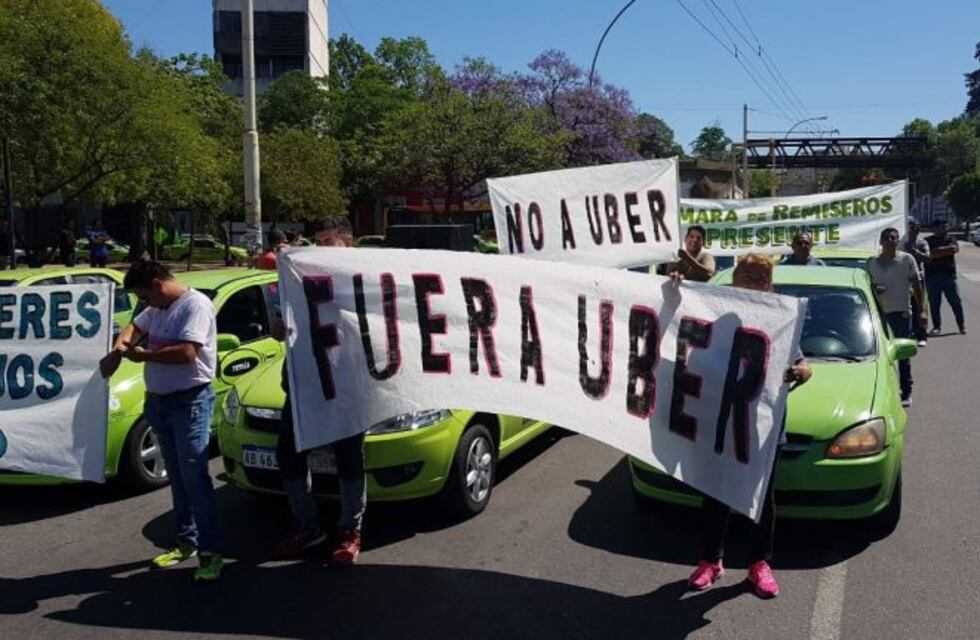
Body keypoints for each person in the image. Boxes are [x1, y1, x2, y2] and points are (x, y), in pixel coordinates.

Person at [687, 253, 812, 599]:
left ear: (770, 283)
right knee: (714, 492)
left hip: (763, 428)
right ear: (734, 279)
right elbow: (679, 335)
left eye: (762, 277)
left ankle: (759, 564)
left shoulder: (779, 319)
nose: (755, 282)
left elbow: (802, 361)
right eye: (749, 275)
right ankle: (710, 560)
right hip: (718, 423)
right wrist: (671, 291)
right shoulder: (715, 316)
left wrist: (802, 372)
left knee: (760, 499)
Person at [98, 261, 223, 581]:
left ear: (158, 284)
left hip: (190, 402)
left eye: (144, 296)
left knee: (195, 478)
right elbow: (134, 328)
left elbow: (187, 353)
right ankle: (186, 542)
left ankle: (210, 553)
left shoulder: (195, 305)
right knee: (179, 478)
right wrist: (118, 348)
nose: (144, 303)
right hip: (159, 403)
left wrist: (144, 356)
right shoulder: (157, 307)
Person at [274, 217, 367, 567]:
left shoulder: (364, 280)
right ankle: (307, 524)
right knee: (289, 455)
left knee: (349, 460)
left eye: (326, 240)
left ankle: (349, 529)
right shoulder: (295, 279)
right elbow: (278, 332)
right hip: (302, 386)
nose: (318, 248)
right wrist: (280, 326)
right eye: (315, 240)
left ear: (348, 243)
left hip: (347, 388)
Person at [865, 227, 927, 408]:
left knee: (903, 356)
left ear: (898, 241)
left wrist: (922, 310)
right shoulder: (871, 263)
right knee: (879, 355)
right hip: (878, 316)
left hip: (901, 314)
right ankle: (882, 390)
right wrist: (875, 289)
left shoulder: (907, 260)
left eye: (894, 238)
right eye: (887, 238)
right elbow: (867, 286)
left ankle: (906, 391)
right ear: (881, 241)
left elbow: (917, 285)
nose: (891, 240)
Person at [924, 220, 965, 335]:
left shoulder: (950, 239)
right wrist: (942, 251)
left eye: (943, 226)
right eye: (940, 227)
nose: (943, 228)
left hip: (948, 276)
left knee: (955, 301)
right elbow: (928, 254)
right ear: (934, 228)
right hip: (931, 276)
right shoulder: (927, 240)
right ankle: (937, 327)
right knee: (934, 304)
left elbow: (954, 249)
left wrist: (936, 252)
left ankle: (961, 325)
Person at [900, 219, 930, 346]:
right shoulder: (900, 242)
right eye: (912, 228)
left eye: (917, 228)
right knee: (904, 306)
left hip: (917, 278)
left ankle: (921, 335)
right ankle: (908, 332)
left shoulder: (922, 243)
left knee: (919, 305)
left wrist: (914, 251)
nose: (914, 230)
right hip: (901, 278)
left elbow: (927, 258)